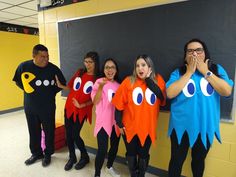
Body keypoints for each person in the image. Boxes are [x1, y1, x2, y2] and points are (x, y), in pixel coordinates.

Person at [166, 39, 234, 177]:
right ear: (185, 56)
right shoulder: (178, 73)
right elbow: (169, 93)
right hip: (180, 127)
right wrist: (189, 72)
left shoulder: (216, 69)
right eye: (190, 51)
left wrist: (206, 72)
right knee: (176, 161)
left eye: (198, 50)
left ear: (205, 53)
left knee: (198, 162)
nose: (194, 54)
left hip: (205, 126)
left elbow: (226, 91)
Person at [112, 55, 166, 177]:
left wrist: (148, 80)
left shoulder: (158, 80)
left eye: (143, 65)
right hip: (129, 127)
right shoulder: (128, 81)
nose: (140, 68)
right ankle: (133, 174)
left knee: (143, 154)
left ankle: (141, 174)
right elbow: (118, 104)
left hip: (147, 128)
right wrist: (119, 123)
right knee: (131, 153)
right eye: (137, 65)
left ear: (150, 67)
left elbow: (161, 98)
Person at [12, 44, 66, 167]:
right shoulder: (24, 66)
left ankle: (48, 154)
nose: (46, 59)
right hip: (30, 107)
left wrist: (48, 93)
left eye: (47, 56)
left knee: (49, 131)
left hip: (48, 107)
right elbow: (17, 81)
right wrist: (28, 90)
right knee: (33, 131)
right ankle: (36, 153)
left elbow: (61, 84)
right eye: (42, 56)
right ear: (34, 56)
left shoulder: (53, 69)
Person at [56, 51, 100, 171]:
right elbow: (71, 87)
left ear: (96, 63)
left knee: (75, 134)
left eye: (91, 62)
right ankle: (72, 157)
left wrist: (82, 105)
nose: (88, 64)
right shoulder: (80, 72)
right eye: (86, 61)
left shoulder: (98, 78)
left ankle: (85, 156)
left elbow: (95, 99)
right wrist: (60, 85)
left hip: (82, 110)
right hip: (69, 107)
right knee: (68, 135)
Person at [91, 58, 121, 177]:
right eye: (107, 67)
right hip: (103, 121)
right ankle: (97, 173)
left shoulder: (119, 85)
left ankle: (109, 167)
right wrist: (100, 87)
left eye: (112, 67)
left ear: (116, 70)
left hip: (116, 122)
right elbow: (95, 101)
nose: (109, 70)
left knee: (114, 147)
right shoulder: (99, 82)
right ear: (103, 70)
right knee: (102, 150)